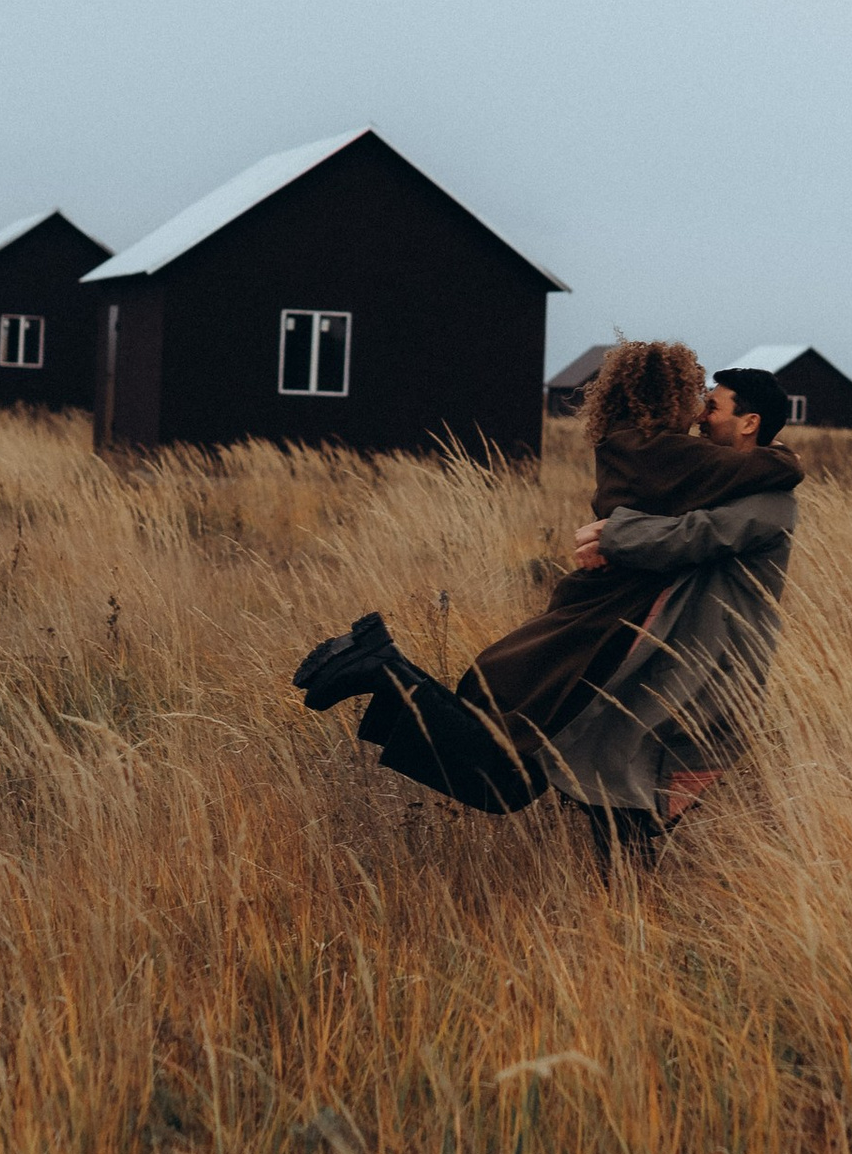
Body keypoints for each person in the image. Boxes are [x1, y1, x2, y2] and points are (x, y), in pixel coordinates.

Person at [292, 341, 801, 857]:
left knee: (581, 775)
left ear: (749, 422)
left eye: (712, 406)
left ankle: (382, 669)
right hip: (621, 648)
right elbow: (688, 534)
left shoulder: (752, 496)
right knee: (527, 773)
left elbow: (689, 536)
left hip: (674, 662)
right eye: (698, 402)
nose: (699, 416)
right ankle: (381, 668)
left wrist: (614, 536)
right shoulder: (695, 468)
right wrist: (778, 460)